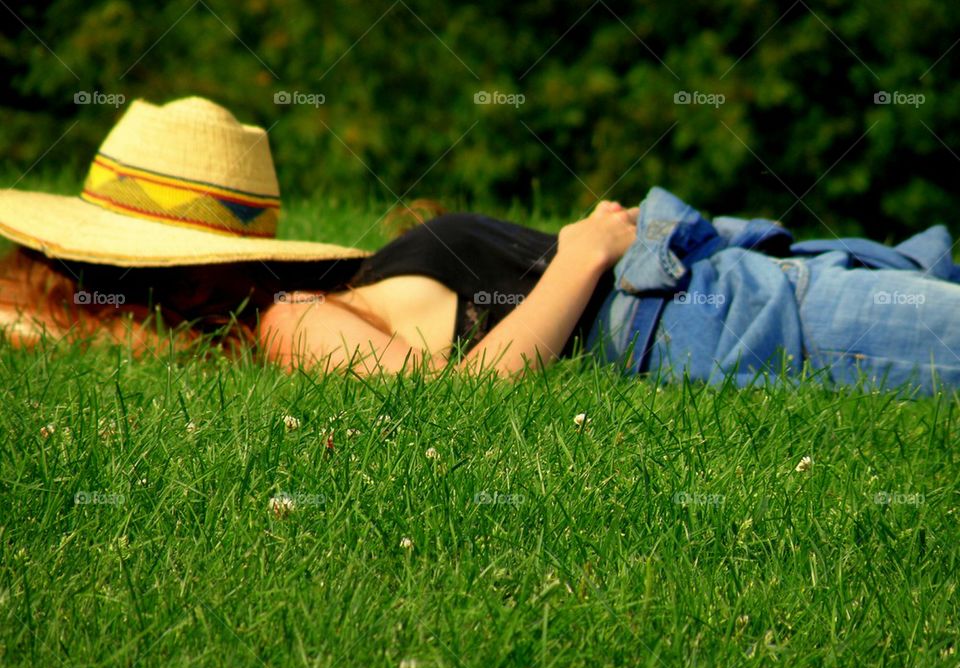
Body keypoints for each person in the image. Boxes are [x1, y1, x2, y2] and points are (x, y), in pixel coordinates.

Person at [2, 96, 959, 393]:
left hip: (709, 278)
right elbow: (469, 394)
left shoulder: (314, 300)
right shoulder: (290, 323)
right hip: (695, 316)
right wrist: (583, 254)